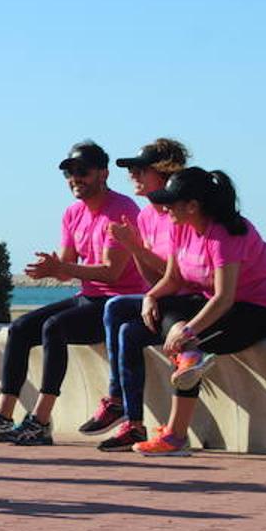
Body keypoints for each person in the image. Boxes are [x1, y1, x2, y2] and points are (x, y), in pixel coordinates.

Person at [0, 141, 146, 446]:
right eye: (69, 173)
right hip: (89, 297)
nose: (74, 178)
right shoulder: (72, 213)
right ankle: (2, 416)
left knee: (55, 327)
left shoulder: (122, 209)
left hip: (116, 302)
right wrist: (51, 269)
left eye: (82, 171)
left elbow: (112, 272)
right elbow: (67, 269)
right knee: (21, 328)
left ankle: (40, 421)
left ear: (103, 174)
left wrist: (62, 267)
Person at [129, 168, 266, 456]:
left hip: (263, 310)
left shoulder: (226, 235)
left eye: (171, 202)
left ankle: (175, 437)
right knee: (167, 316)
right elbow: (175, 280)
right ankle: (190, 359)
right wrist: (150, 297)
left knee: (190, 346)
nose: (165, 209)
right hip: (219, 304)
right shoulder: (180, 226)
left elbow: (223, 298)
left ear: (193, 206)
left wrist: (188, 330)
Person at [79, 139, 191, 450]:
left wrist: (135, 248)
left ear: (164, 173)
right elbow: (152, 277)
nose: (133, 176)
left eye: (140, 170)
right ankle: (131, 420)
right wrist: (134, 249)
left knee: (118, 311)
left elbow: (178, 273)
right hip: (165, 298)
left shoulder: (178, 214)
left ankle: (123, 409)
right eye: (131, 170)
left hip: (187, 301)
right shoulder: (145, 217)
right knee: (120, 319)